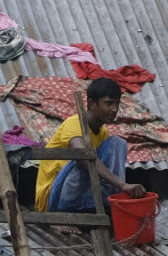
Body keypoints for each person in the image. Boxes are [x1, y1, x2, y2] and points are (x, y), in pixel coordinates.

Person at [36, 76, 134, 213]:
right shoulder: (74, 123)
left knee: (117, 143)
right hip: (53, 196)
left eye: (117, 104)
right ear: (92, 103)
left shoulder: (103, 132)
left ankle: (112, 203)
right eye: (109, 103)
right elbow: (83, 158)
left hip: (79, 193)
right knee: (85, 157)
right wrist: (121, 184)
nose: (114, 109)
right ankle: (64, 214)